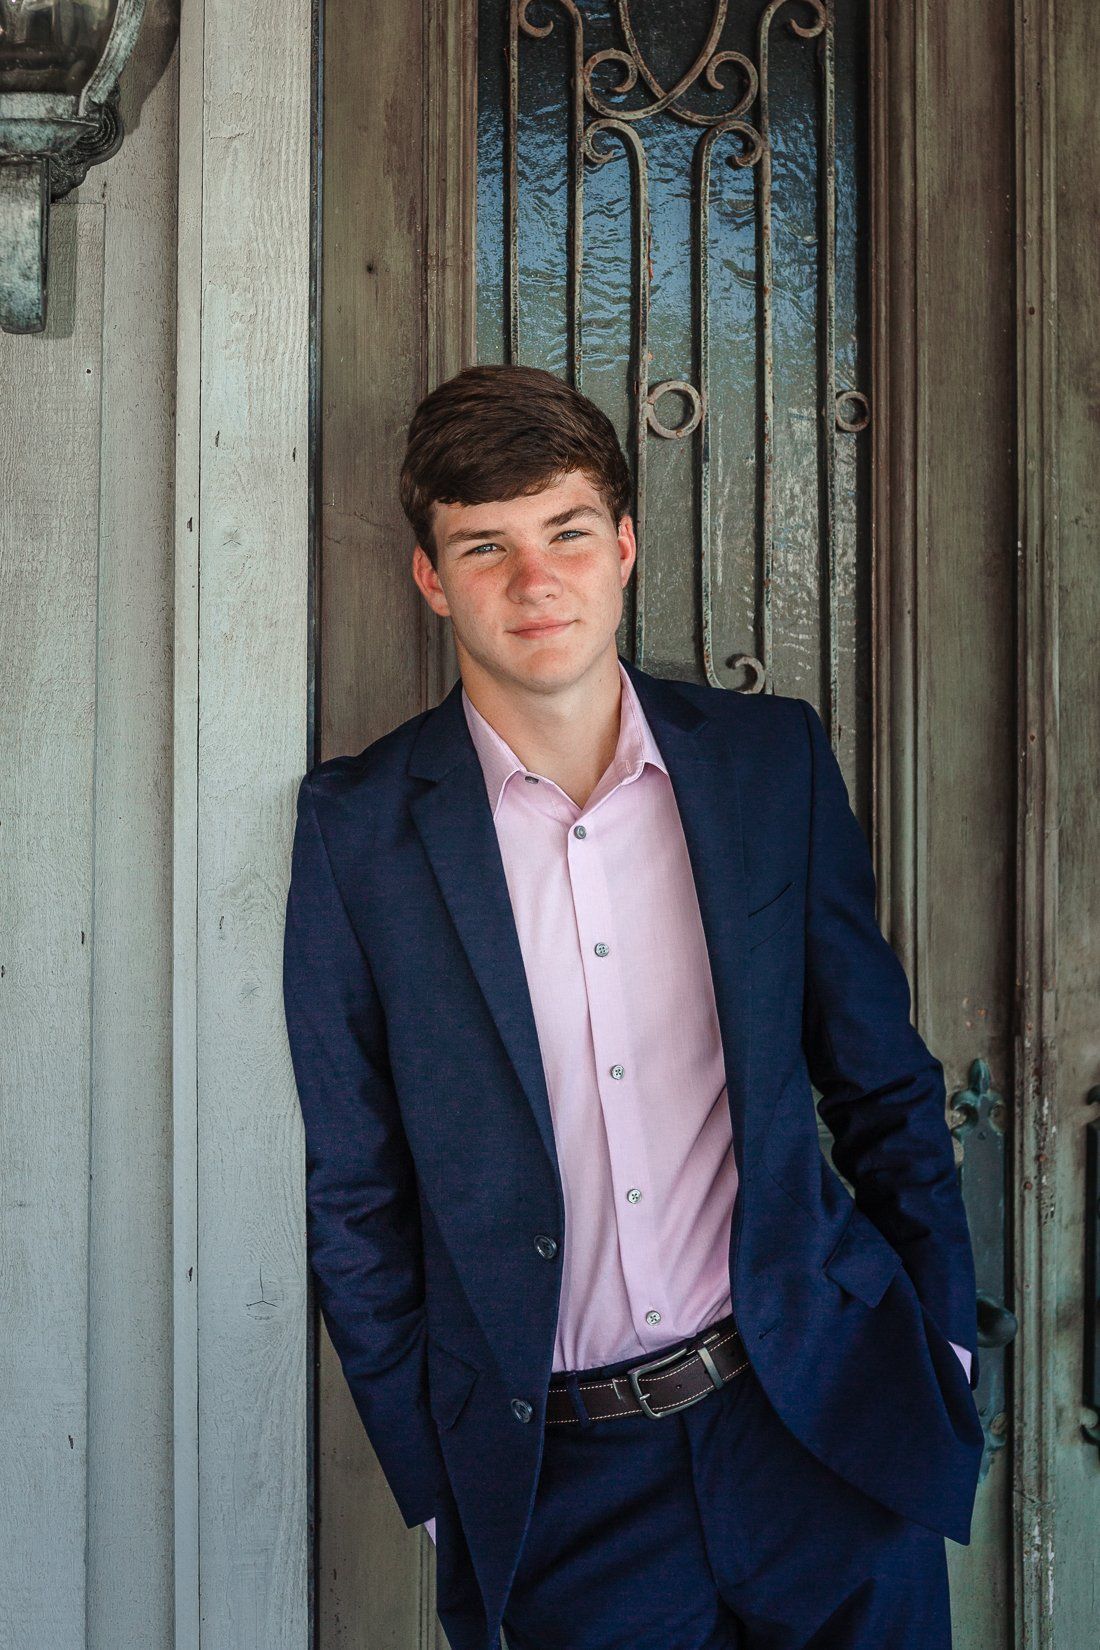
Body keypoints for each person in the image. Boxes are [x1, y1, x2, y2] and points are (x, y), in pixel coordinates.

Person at [282, 363, 984, 1650]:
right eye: (483, 547)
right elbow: (355, 1195)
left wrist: (938, 1350)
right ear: (432, 579)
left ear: (622, 548)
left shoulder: (768, 765)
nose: (531, 582)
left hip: (821, 1427)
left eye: (562, 533)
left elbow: (879, 1080)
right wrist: (443, 1489)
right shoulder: (357, 832)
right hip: (563, 1488)